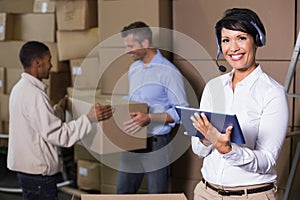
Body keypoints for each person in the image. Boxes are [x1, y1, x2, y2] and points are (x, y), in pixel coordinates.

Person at [190, 8, 289, 200]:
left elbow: (267, 160)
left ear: (257, 40)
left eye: (241, 38)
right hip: (205, 193)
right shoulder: (213, 87)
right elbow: (199, 149)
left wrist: (227, 150)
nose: (233, 48)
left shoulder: (272, 93)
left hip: (250, 196)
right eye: (226, 40)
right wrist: (206, 138)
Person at [7, 41, 113, 200]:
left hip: (26, 173)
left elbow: (38, 125)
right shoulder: (35, 95)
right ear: (38, 62)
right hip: (39, 176)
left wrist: (58, 110)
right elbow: (59, 135)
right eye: (48, 60)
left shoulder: (19, 89)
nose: (51, 65)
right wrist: (89, 118)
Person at [116, 21, 188, 194]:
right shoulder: (134, 69)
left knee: (157, 195)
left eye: (130, 46)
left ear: (145, 43)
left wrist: (150, 118)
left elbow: (182, 111)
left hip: (157, 144)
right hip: (132, 140)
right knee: (122, 193)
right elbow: (136, 100)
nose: (127, 51)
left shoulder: (168, 72)